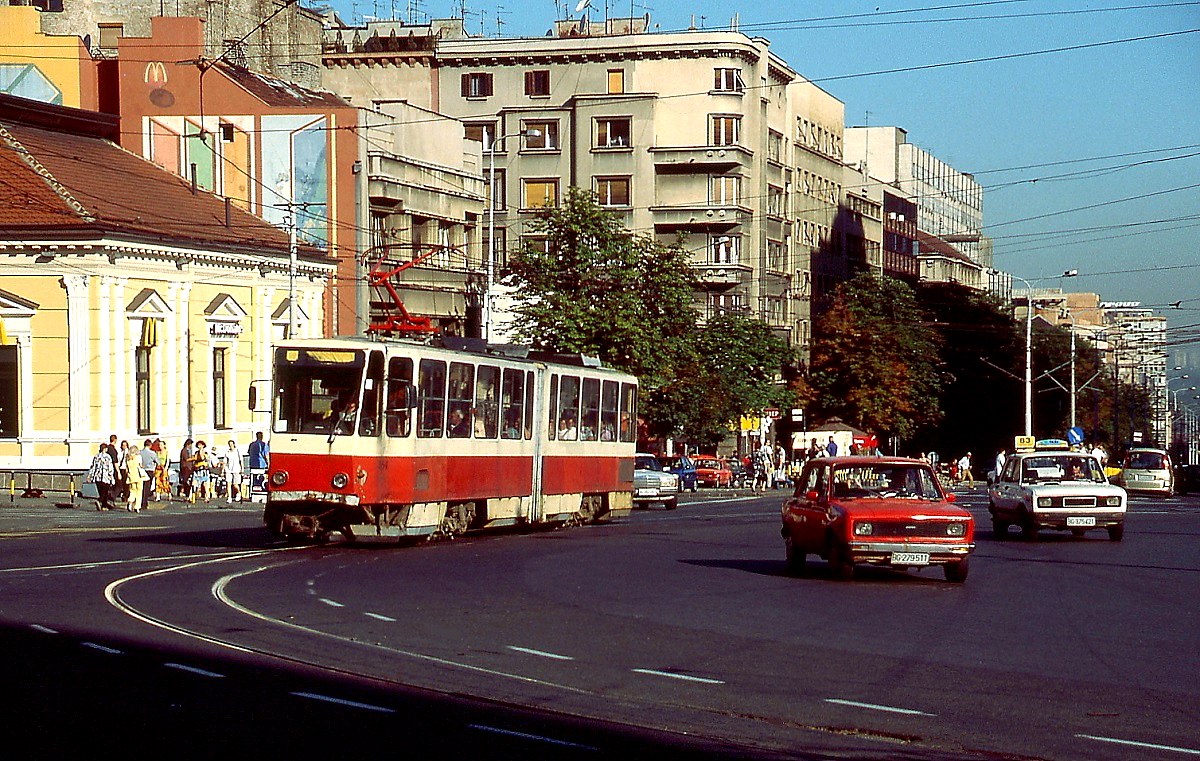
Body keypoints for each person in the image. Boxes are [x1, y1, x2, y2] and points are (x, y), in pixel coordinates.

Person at [86, 442, 117, 511]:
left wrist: (89, 476)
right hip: (106, 477)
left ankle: (102, 504)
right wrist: (111, 477)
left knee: (101, 492)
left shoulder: (96, 456)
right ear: (105, 449)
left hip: (98, 477)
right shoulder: (108, 457)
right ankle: (102, 504)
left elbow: (93, 467)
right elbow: (110, 468)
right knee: (105, 492)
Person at [139, 438, 160, 510]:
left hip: (142, 471)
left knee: (141, 487)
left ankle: (140, 502)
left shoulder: (140, 452)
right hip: (150, 471)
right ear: (150, 445)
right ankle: (144, 503)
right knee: (147, 488)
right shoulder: (152, 453)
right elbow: (158, 463)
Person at [221, 439, 243, 503]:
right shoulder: (227, 452)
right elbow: (225, 462)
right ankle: (229, 497)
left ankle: (238, 493)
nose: (231, 446)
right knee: (228, 484)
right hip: (228, 470)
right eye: (229, 444)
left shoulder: (238, 451)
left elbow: (241, 461)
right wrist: (222, 471)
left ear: (234, 444)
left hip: (236, 469)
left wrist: (242, 469)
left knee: (235, 484)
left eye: (232, 444)